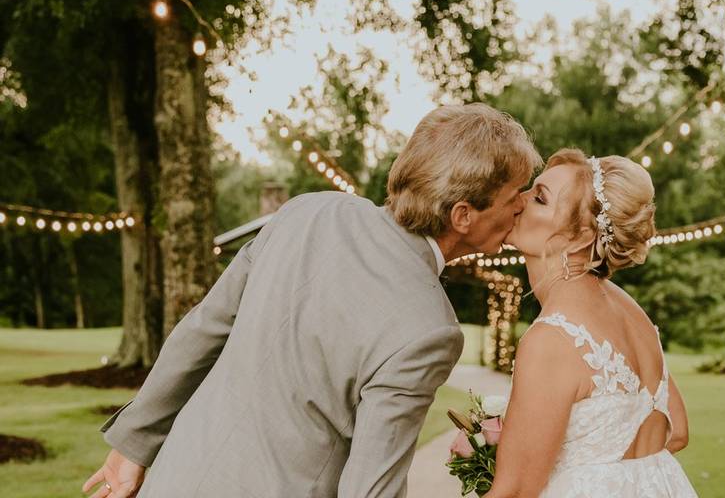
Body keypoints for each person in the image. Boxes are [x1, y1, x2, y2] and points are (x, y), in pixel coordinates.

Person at [82, 103, 541, 498]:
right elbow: (370, 489)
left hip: (176, 478)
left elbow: (203, 329)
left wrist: (133, 446)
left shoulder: (309, 210)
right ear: (463, 215)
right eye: (513, 195)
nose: (522, 204)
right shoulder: (430, 329)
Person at [484, 149, 698, 498]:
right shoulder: (629, 308)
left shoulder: (552, 338)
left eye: (538, 198)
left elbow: (516, 491)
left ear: (582, 236)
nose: (518, 201)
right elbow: (677, 431)